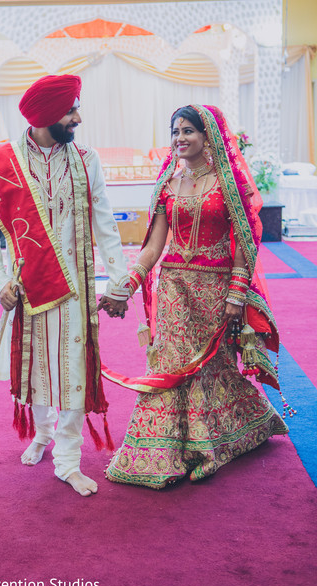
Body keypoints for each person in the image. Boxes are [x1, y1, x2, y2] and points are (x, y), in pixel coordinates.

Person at [105, 104, 290, 489]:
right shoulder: (167, 184)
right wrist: (128, 285)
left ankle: (214, 446)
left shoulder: (227, 184)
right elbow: (153, 248)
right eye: (175, 132)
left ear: (208, 137)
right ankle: (160, 452)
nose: (180, 138)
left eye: (188, 131)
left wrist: (237, 294)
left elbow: (246, 241)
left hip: (216, 289)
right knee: (172, 364)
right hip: (173, 287)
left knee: (210, 367)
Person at [0, 74, 129, 497]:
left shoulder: (86, 159)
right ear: (45, 116)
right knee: (37, 367)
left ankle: (67, 460)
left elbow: (105, 223)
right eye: (71, 110)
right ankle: (42, 433)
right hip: (29, 289)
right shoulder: (1, 164)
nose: (78, 117)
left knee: (74, 368)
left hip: (76, 290)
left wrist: (120, 281)